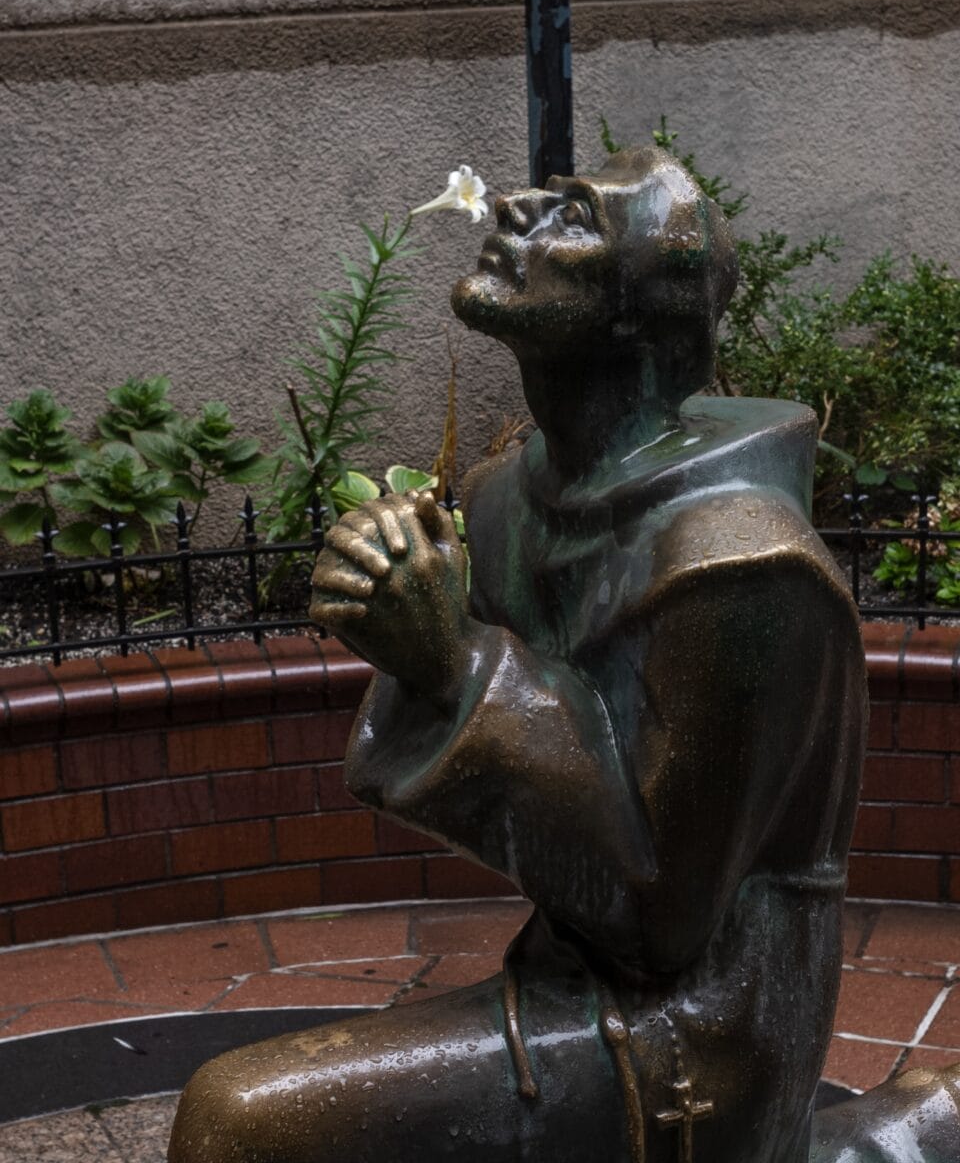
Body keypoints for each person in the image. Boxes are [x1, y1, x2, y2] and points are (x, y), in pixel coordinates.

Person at [169, 148, 868, 1163]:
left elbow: (657, 923)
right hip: (565, 980)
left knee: (238, 1120)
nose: (513, 207)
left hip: (694, 1039)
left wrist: (454, 667)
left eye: (575, 215)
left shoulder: (739, 565)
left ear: (641, 312)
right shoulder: (509, 497)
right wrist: (409, 625)